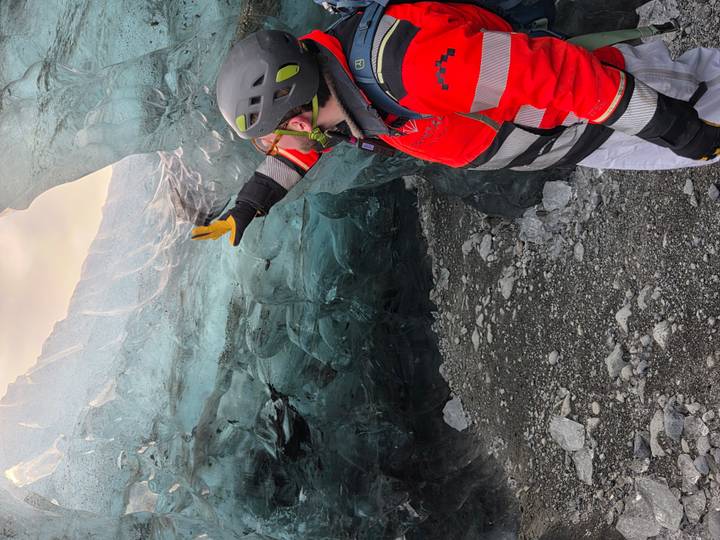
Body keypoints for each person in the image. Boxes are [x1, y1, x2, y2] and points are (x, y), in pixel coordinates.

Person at [191, 2, 720, 246]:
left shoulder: (414, 68)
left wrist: (677, 131)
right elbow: (303, 147)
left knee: (704, 111)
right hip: (570, 132)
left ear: (298, 104)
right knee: (703, 78)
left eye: (271, 131)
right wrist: (250, 203)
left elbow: (560, 76)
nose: (270, 145)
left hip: (591, 112)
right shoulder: (339, 83)